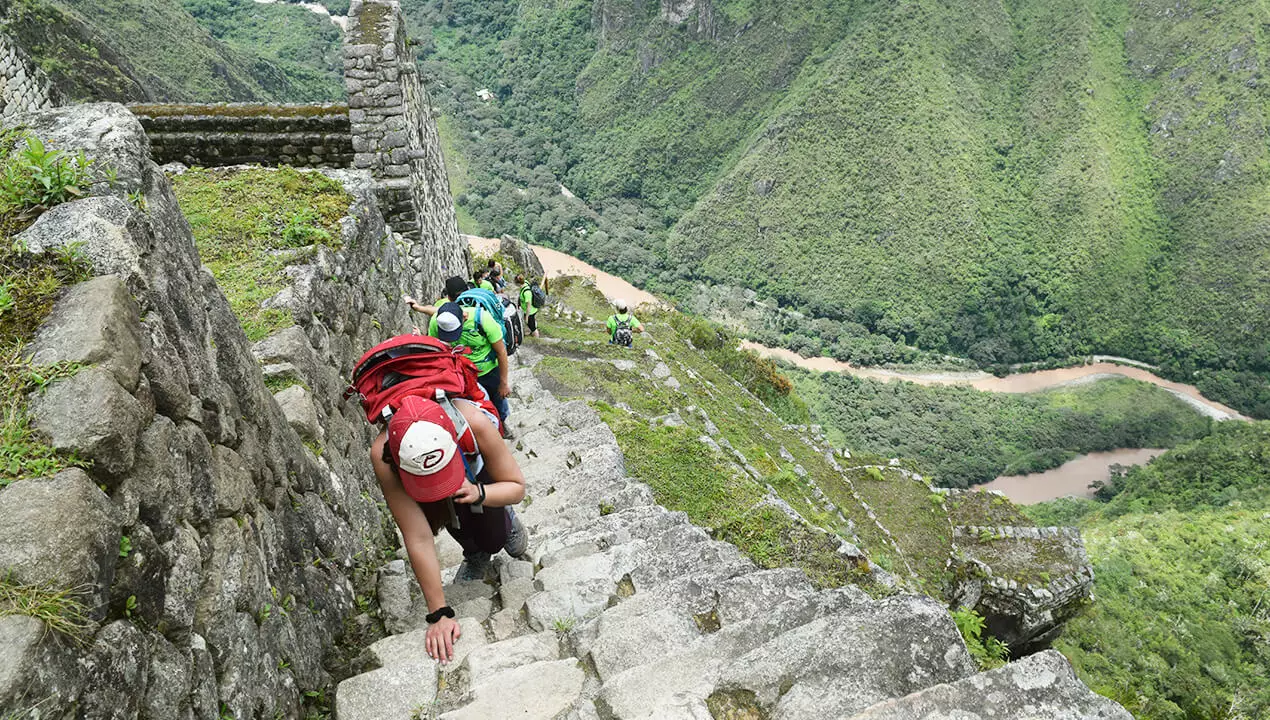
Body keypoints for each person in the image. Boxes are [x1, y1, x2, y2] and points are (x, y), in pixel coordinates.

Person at [369, 393, 527, 663]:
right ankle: (474, 553)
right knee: (441, 517)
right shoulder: (382, 454)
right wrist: (439, 613)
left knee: (493, 539)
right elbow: (417, 535)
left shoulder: (472, 422)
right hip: (443, 487)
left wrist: (480, 493)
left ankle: (505, 520)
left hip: (476, 478)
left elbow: (517, 487)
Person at [404, 277, 512, 430]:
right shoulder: (438, 320)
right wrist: (419, 311)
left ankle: (502, 425)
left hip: (488, 370)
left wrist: (504, 383)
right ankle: (484, 431)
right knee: (474, 407)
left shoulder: (482, 318)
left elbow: (501, 351)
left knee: (498, 400)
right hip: (462, 373)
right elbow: (436, 346)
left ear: (464, 317)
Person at [517, 274, 541, 338]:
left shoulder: (527, 292)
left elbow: (528, 306)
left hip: (531, 312)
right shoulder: (525, 282)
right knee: (530, 322)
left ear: (518, 283)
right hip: (530, 311)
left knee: (533, 327)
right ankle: (530, 330)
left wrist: (527, 317)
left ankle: (536, 338)